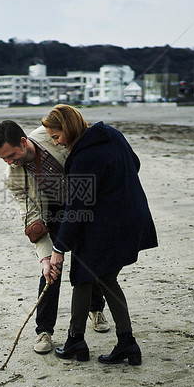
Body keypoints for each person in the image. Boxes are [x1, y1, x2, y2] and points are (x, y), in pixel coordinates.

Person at [43, 104, 157, 365]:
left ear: (69, 129)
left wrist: (59, 249)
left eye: (57, 137)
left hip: (109, 225)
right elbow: (135, 163)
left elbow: (77, 207)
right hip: (131, 216)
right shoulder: (112, 134)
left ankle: (100, 342)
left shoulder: (84, 157)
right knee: (93, 277)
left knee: (93, 277)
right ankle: (91, 341)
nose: (57, 143)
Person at [0, 120, 110, 354]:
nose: (9, 162)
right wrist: (46, 258)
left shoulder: (53, 134)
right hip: (51, 214)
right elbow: (31, 216)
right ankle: (44, 330)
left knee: (89, 261)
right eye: (3, 159)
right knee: (51, 272)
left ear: (23, 142)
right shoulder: (12, 176)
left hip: (83, 204)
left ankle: (95, 309)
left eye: (11, 155)